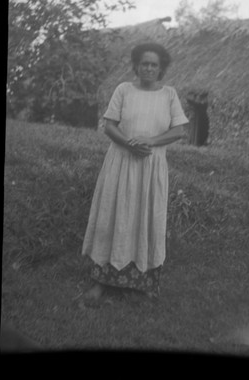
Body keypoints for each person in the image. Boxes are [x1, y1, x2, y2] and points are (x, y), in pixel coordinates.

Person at [81, 42, 189, 302]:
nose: (149, 68)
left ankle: (137, 284)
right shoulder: (123, 90)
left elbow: (178, 131)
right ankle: (100, 282)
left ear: (161, 68)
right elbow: (109, 126)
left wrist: (149, 142)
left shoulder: (169, 95)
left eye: (154, 64)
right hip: (120, 163)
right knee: (113, 217)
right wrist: (130, 143)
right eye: (144, 63)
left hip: (151, 168)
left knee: (144, 219)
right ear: (136, 66)